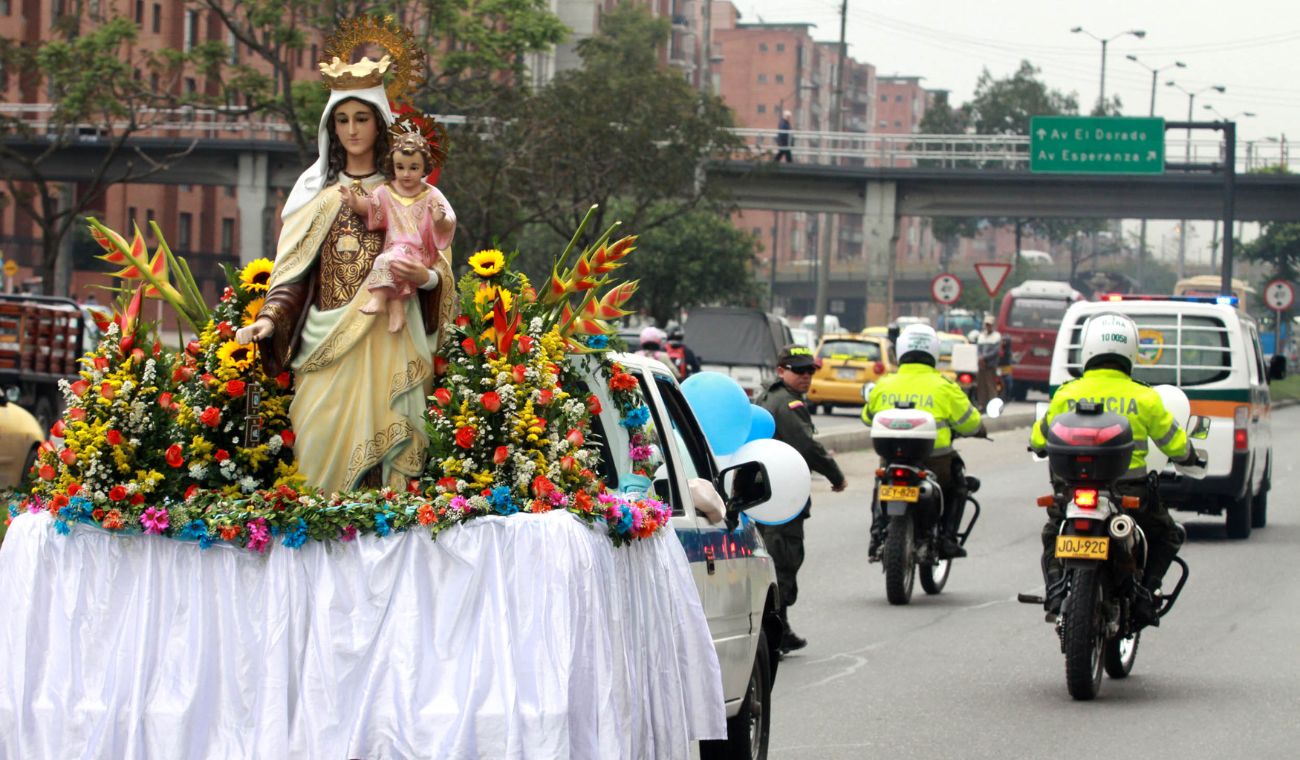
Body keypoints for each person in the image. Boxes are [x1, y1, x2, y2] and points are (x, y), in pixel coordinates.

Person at [234, 53, 457, 494]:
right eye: (342, 120)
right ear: (331, 128)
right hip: (325, 344)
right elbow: (293, 275)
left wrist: (425, 277)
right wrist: (267, 319)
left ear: (379, 124)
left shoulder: (411, 195)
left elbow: (441, 275)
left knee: (387, 458)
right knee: (314, 449)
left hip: (390, 342)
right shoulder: (314, 195)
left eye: (361, 118)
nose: (352, 129)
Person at [1030, 313, 1195, 626]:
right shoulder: (1145, 396)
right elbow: (1175, 444)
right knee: (1169, 535)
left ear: (1088, 350)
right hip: (1130, 493)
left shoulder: (1068, 393)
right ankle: (1146, 595)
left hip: (1072, 492)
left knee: (1054, 532)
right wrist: (1190, 456)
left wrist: (1039, 444)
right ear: (1131, 353)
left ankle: (1054, 590)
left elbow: (1038, 438)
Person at [862, 325, 984, 560]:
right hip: (935, 462)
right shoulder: (945, 387)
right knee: (959, 484)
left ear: (900, 350)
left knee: (881, 484)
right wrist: (978, 429)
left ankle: (877, 534)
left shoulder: (884, 384)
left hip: (891, 458)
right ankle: (948, 538)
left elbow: (867, 417)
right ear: (934, 352)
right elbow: (971, 424)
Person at [757, 345, 847, 653]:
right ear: (781, 371)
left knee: (775, 557)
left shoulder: (769, 397)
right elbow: (806, 446)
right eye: (800, 370)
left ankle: (780, 628)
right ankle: (774, 633)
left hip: (765, 492)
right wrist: (836, 475)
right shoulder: (787, 404)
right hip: (782, 494)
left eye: (811, 371)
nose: (806, 376)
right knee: (783, 558)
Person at [339, 127, 455, 333]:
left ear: (425, 168)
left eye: (413, 168)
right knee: (392, 262)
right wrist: (354, 201)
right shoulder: (386, 191)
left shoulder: (432, 195)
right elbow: (370, 207)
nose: (406, 174)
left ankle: (379, 298)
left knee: (385, 261)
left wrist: (439, 220)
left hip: (419, 252)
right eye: (400, 167)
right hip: (395, 247)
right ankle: (397, 310)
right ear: (392, 166)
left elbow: (448, 221)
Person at [975, 315, 1002, 411]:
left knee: (991, 386)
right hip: (982, 365)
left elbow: (995, 352)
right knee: (981, 386)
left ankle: (993, 406)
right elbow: (978, 350)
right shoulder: (981, 336)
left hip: (990, 365)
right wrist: (980, 358)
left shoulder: (996, 336)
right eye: (986, 325)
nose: (988, 326)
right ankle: (982, 404)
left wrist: (984, 358)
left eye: (989, 325)